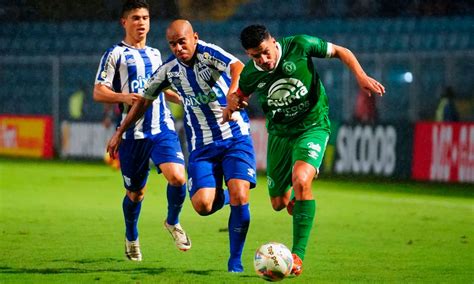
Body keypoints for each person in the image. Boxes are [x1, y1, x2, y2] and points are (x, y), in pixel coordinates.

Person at [223, 24, 386, 276]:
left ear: (273, 41)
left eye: (266, 52)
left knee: (301, 179)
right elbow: (238, 97)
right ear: (248, 55)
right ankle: (299, 198)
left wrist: (361, 77)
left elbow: (342, 51)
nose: (263, 60)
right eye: (256, 56)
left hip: (312, 126)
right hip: (279, 135)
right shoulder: (250, 75)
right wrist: (232, 101)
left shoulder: (300, 45)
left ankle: (297, 255)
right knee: (279, 203)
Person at [107, 19, 256, 273]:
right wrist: (120, 131)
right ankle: (230, 195)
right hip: (202, 146)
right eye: (172, 44)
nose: (177, 47)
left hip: (234, 136)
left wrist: (233, 95)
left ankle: (235, 262)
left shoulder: (209, 53)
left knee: (241, 194)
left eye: (182, 41)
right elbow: (143, 100)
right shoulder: (169, 70)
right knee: (202, 206)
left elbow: (238, 66)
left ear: (194, 38)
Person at [93, 0, 191, 262]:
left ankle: (173, 221)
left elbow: (160, 89)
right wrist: (124, 97)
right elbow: (98, 91)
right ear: (124, 22)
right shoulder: (115, 54)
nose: (141, 23)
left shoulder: (156, 54)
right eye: (135, 18)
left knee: (178, 177)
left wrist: (180, 98)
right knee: (136, 194)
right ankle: (131, 236)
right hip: (132, 136)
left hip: (162, 129)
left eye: (145, 18)